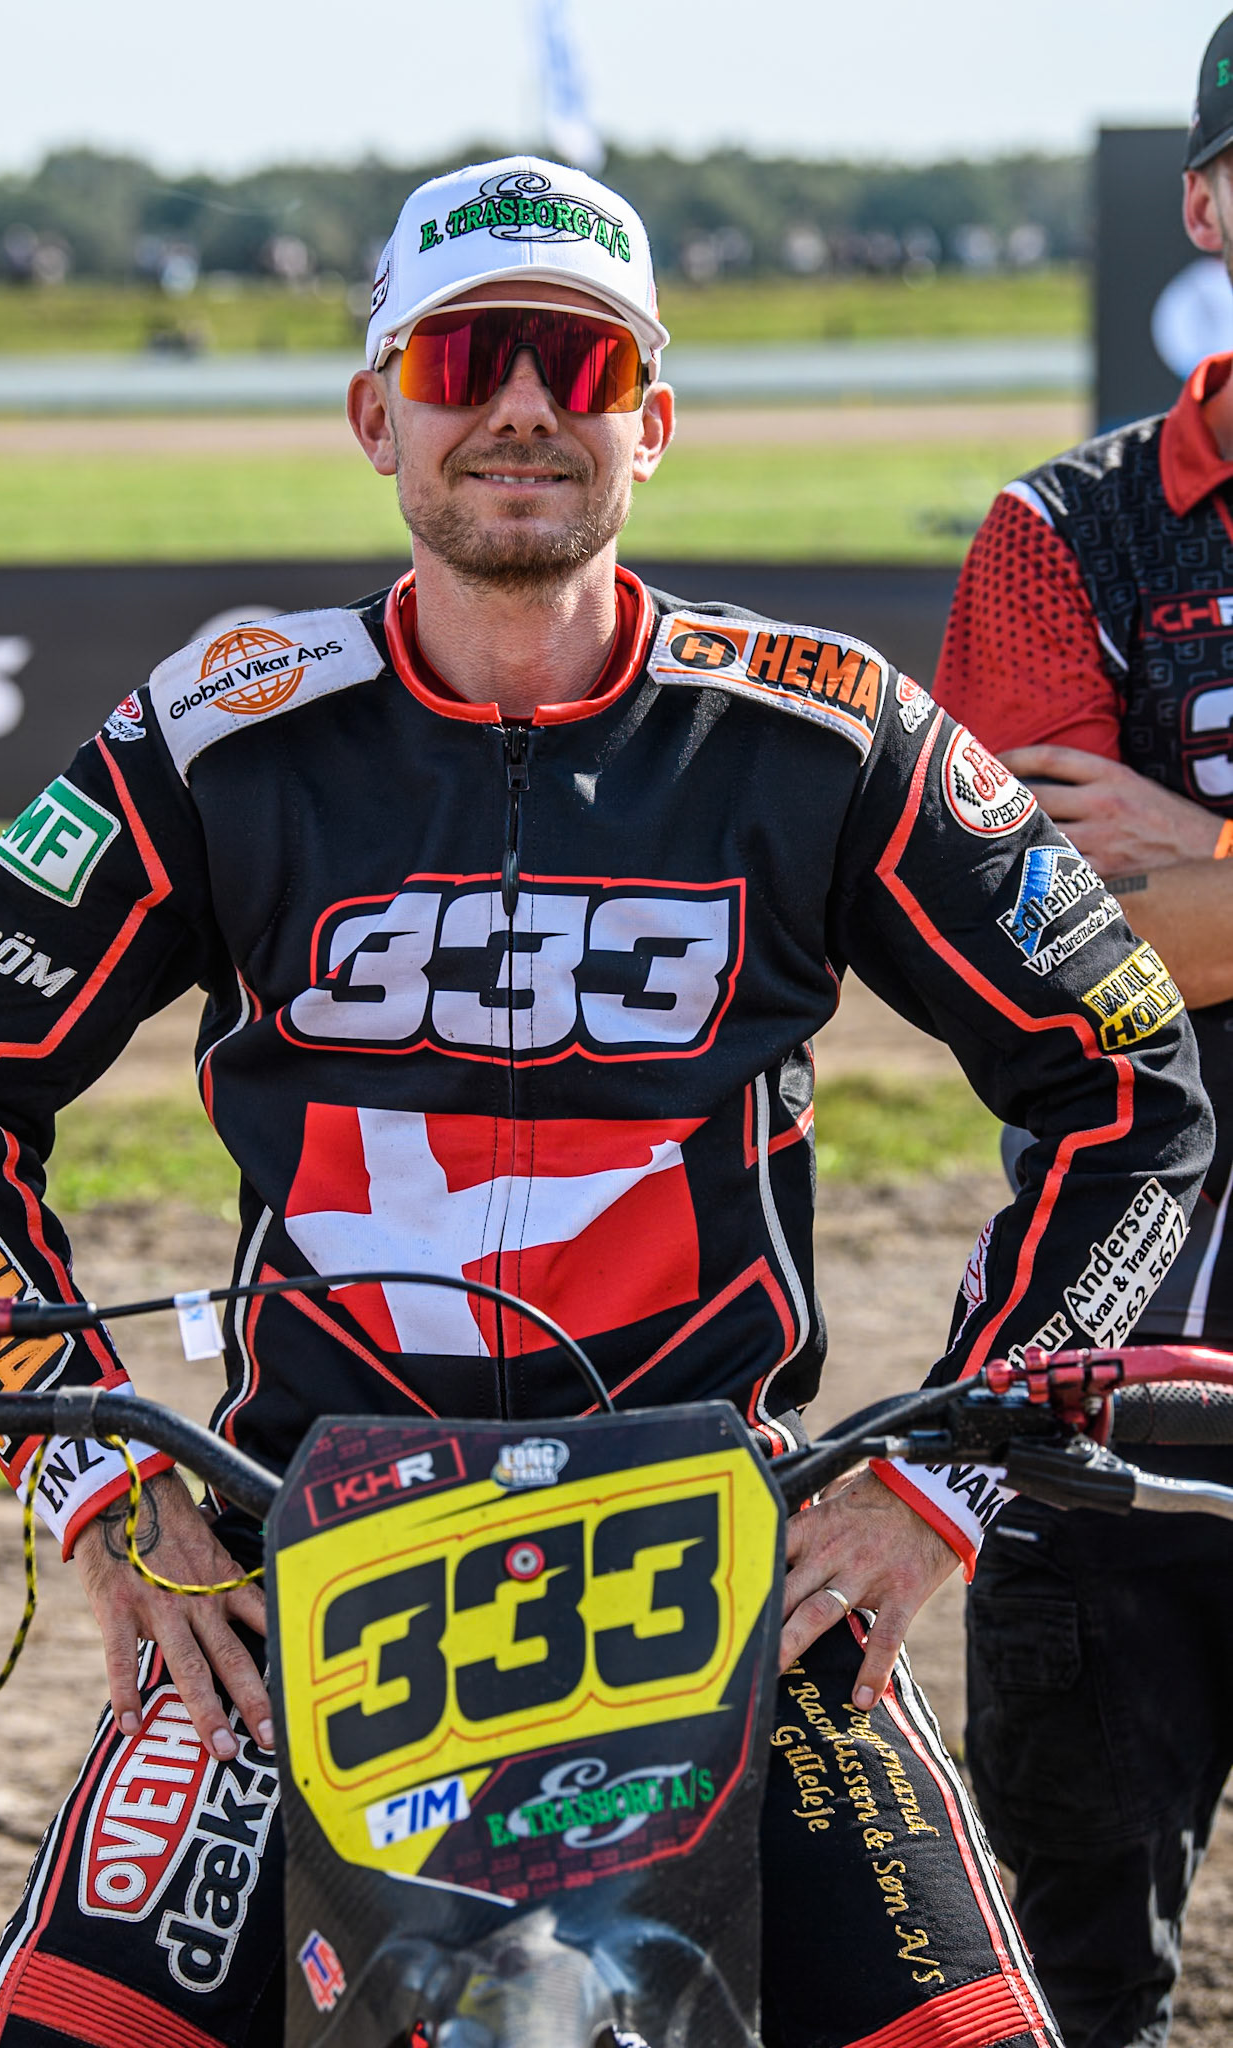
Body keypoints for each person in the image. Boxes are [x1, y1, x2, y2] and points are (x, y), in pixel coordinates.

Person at [0, 153, 1207, 2048]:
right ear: (376, 415)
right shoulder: (218, 731)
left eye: (578, 365)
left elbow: (1129, 1086)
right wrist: (100, 1479)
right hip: (293, 1573)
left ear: (649, 421)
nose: (518, 406)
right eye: (463, 356)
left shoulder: (825, 732)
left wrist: (934, 1484)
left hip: (736, 1577)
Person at [932, 20, 1233, 2044]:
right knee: (1069, 1997)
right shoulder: (1063, 530)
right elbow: (1060, 961)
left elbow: (1168, 912)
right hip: (1112, 1368)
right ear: (1203, 204)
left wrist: (1204, 851)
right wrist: (1158, 903)